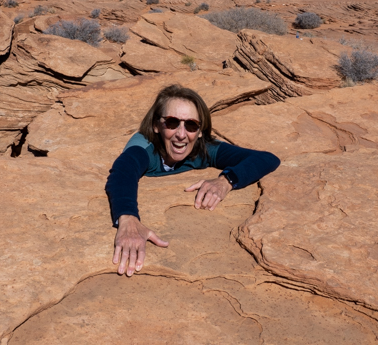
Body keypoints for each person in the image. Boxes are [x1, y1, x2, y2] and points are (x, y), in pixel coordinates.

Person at [105, 85, 280, 276]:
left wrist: (225, 181)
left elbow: (267, 159)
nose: (181, 134)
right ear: (156, 125)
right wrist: (128, 219)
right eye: (172, 123)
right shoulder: (144, 147)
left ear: (200, 131)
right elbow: (123, 172)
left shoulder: (204, 149)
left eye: (191, 125)